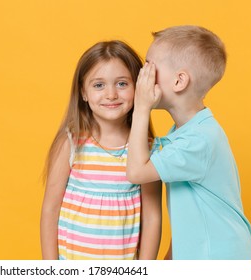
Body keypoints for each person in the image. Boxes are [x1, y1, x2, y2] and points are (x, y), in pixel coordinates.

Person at [126, 25, 251, 259]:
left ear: (179, 81)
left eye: (149, 66)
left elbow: (135, 172)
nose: (142, 75)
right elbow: (193, 214)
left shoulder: (198, 141)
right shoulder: (186, 133)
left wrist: (141, 107)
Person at [40, 40, 162, 260]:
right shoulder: (70, 143)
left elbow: (152, 217)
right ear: (84, 93)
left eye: (122, 84)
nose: (111, 94)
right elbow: (50, 211)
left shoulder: (147, 151)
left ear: (138, 88)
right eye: (99, 85)